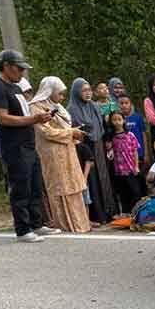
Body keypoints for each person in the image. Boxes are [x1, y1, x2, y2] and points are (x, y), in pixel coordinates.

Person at [0, 50, 62, 242]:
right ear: (6, 66)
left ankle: (36, 223)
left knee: (35, 185)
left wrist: (40, 115)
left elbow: (24, 113)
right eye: (19, 68)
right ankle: (22, 229)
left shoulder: (16, 87)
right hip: (14, 146)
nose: (22, 73)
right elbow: (2, 117)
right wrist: (33, 118)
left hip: (29, 144)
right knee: (20, 187)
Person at [28, 76, 90, 233]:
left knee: (73, 186)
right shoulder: (36, 107)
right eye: (60, 93)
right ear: (49, 91)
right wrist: (71, 132)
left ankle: (80, 224)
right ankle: (66, 225)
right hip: (52, 152)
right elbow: (45, 131)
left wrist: (75, 133)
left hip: (67, 149)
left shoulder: (58, 107)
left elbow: (65, 126)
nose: (62, 97)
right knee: (60, 188)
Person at [68, 77, 119, 222]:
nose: (88, 93)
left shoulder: (94, 106)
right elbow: (77, 130)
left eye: (89, 90)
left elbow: (100, 126)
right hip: (84, 148)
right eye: (84, 90)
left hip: (99, 145)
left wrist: (106, 141)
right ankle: (95, 215)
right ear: (76, 92)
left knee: (104, 178)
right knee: (91, 180)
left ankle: (108, 212)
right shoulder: (72, 109)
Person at [106, 110, 142, 215]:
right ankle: (126, 214)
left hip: (130, 168)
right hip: (118, 170)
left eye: (119, 119)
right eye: (114, 120)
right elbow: (109, 153)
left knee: (135, 191)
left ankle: (137, 213)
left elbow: (135, 150)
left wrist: (136, 166)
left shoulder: (130, 135)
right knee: (123, 192)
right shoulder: (111, 137)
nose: (117, 122)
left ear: (124, 120)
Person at [117, 94, 147, 167]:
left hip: (139, 153)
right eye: (121, 103)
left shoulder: (138, 117)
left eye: (126, 103)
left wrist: (146, 154)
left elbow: (144, 136)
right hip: (124, 156)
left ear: (131, 104)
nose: (124, 105)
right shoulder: (117, 119)